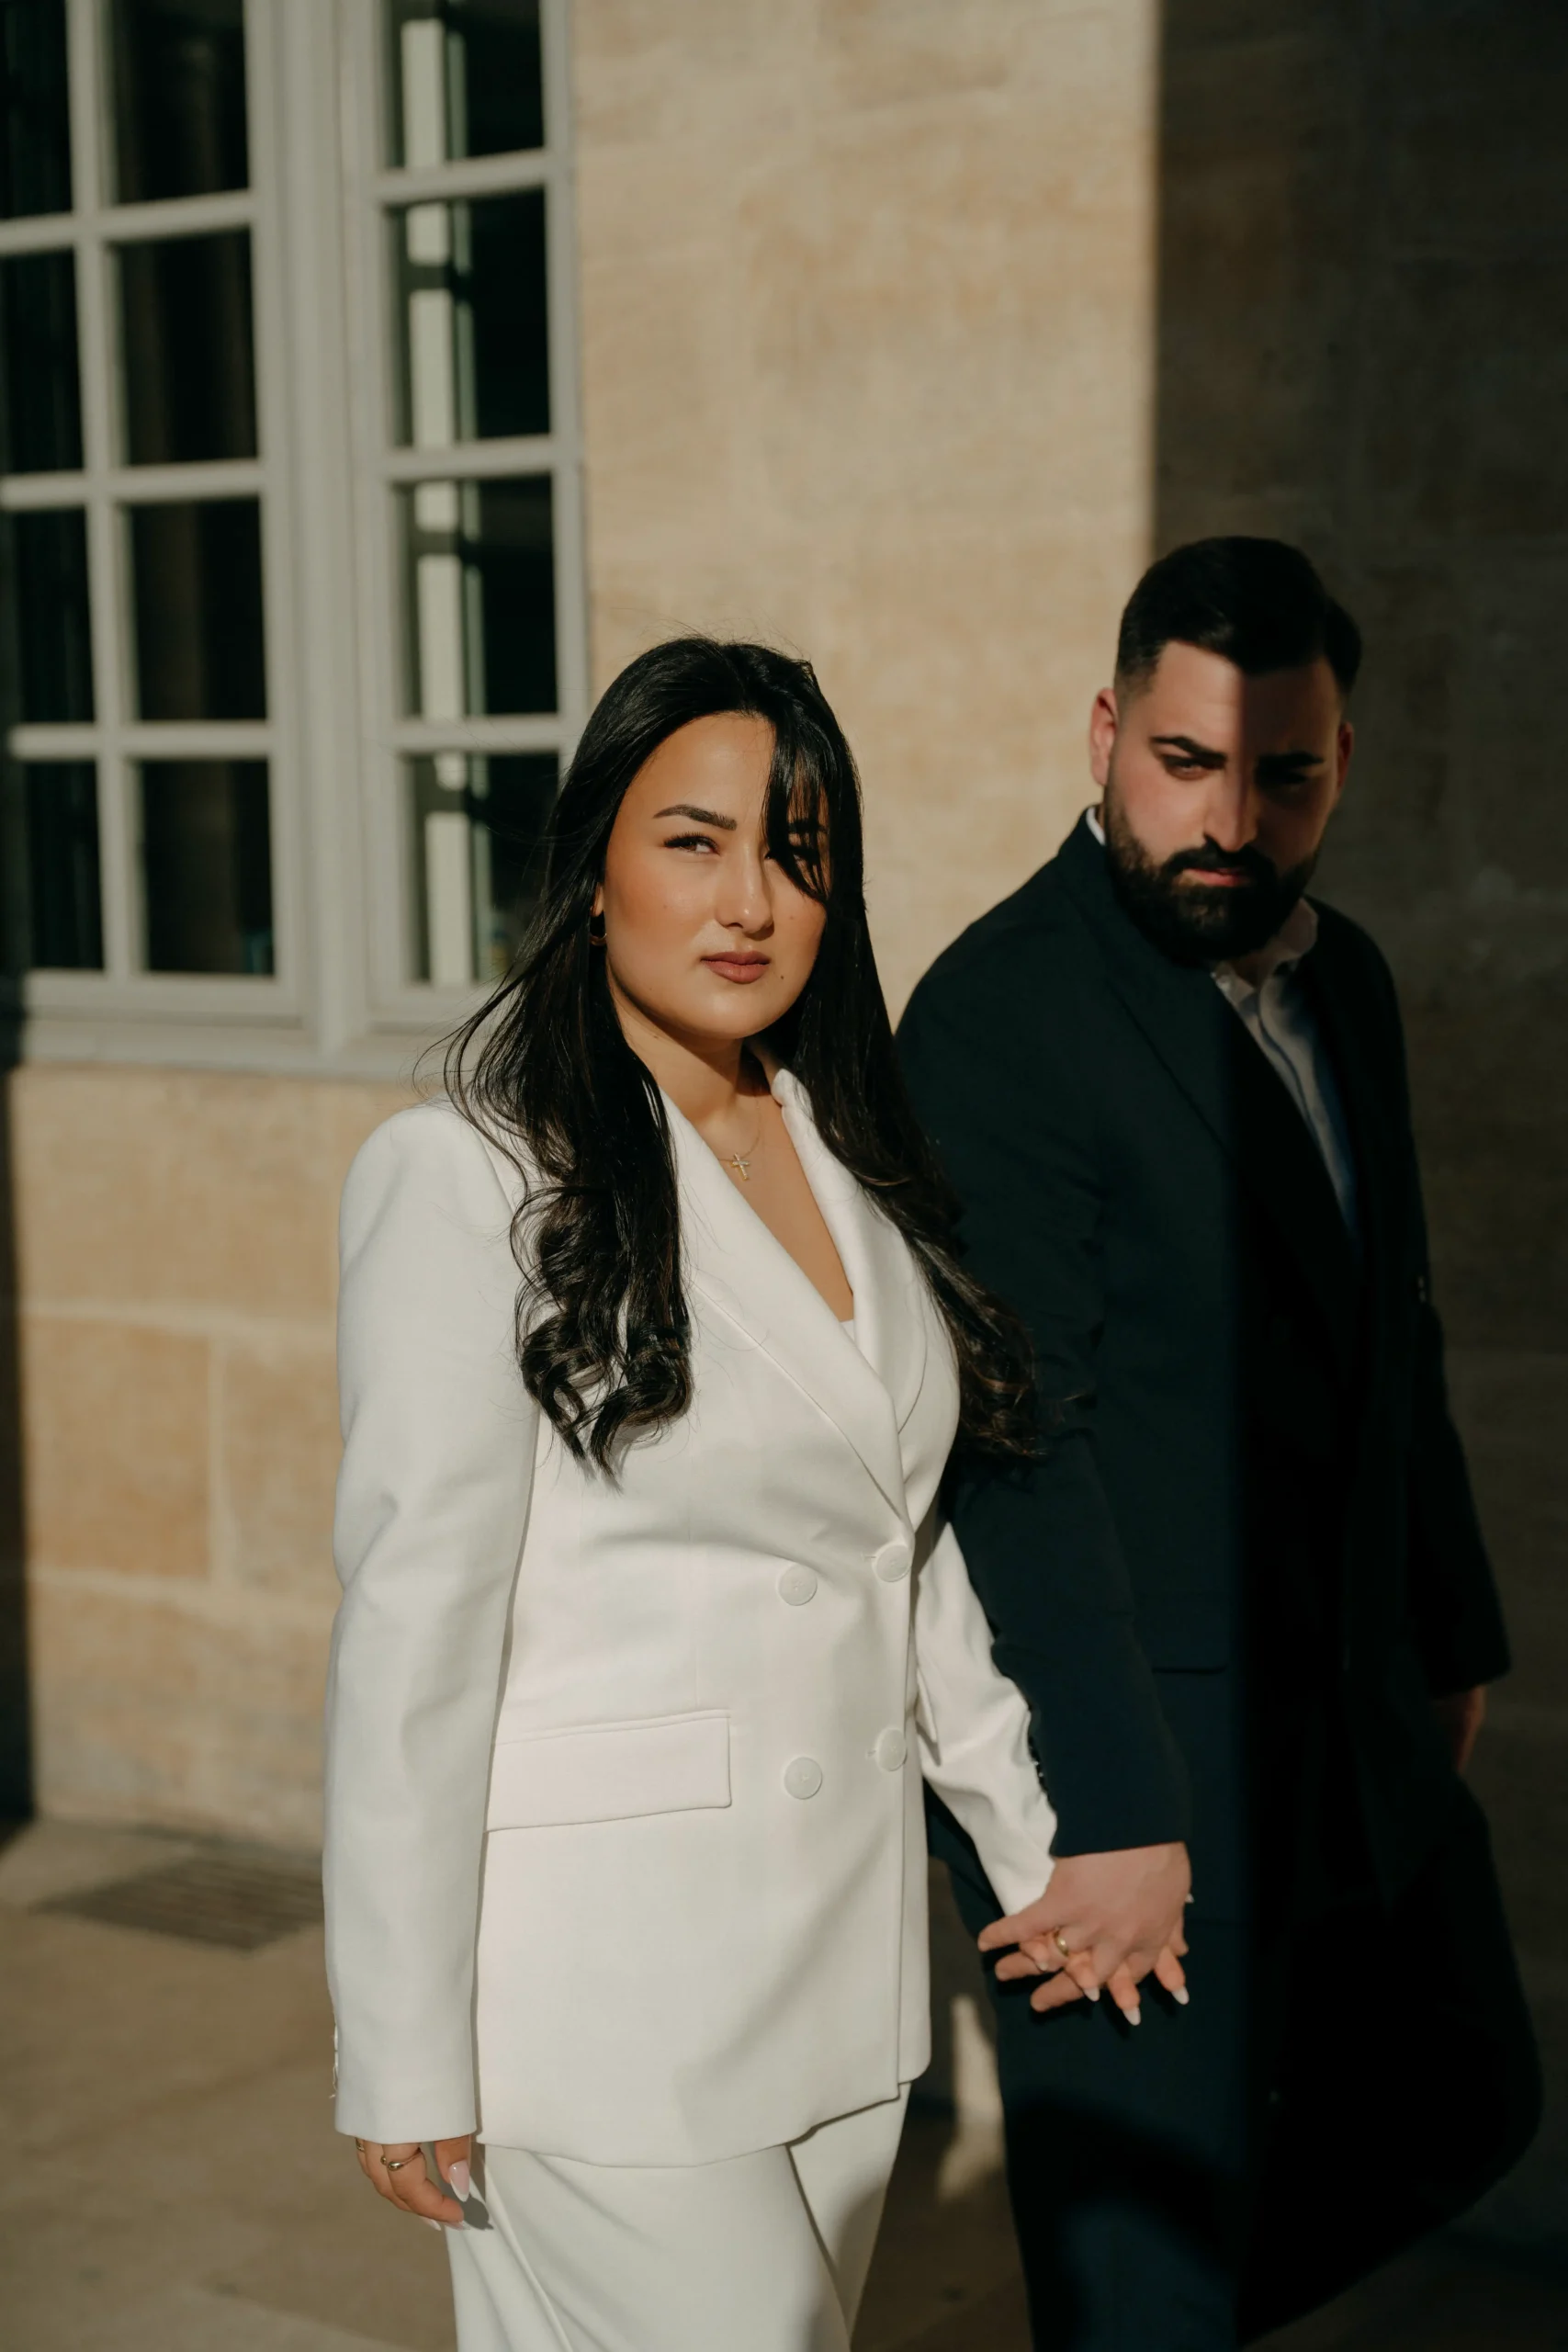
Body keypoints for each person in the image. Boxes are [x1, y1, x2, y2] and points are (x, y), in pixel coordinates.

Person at [322, 639, 1168, 2352]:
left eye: (795, 849)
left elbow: (900, 1550)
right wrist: (398, 2042)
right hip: (601, 2002)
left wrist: (1031, 1844)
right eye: (692, 840)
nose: (750, 899)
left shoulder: (852, 1153)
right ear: (594, 870)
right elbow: (413, 1634)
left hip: (838, 1990)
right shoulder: (469, 1174)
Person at [897, 539, 1541, 2350]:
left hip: (1338, 1708)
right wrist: (1107, 1810)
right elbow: (1022, 1432)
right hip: (1129, 1764)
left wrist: (1445, 1628)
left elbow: (1390, 1327)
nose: (1228, 820)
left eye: (1283, 775)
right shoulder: (1002, 1011)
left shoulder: (1353, 988)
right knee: (1143, 2265)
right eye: (1184, 762)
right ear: (1106, 732)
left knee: (1459, 2088)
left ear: (1343, 764)